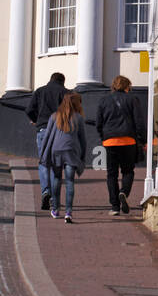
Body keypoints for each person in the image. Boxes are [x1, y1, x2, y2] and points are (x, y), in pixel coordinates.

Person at [96, 76, 145, 216]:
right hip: (128, 140)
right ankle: (124, 191)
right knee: (128, 170)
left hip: (110, 141)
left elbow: (99, 122)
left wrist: (103, 136)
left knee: (111, 173)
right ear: (127, 86)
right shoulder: (132, 99)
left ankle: (115, 206)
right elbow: (139, 121)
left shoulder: (104, 100)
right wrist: (142, 139)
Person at [39, 91, 87, 223]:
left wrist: (43, 154)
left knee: (57, 179)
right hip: (71, 152)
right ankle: (68, 213)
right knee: (70, 181)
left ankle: (55, 209)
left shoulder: (54, 116)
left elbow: (47, 136)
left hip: (56, 151)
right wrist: (82, 157)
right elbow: (83, 140)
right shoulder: (78, 118)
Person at [26, 71, 66, 210]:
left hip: (43, 129)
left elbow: (29, 110)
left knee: (44, 163)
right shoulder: (66, 93)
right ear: (62, 81)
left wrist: (37, 120)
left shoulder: (40, 91)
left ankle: (46, 192)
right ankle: (54, 198)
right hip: (60, 132)